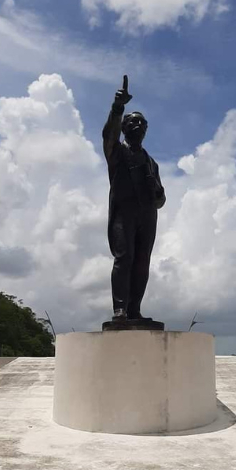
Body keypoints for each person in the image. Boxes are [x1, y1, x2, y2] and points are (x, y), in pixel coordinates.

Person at [102, 75, 166, 323]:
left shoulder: (152, 163)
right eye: (133, 123)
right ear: (125, 128)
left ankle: (134, 309)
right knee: (124, 257)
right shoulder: (117, 152)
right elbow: (109, 134)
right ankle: (120, 309)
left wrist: (156, 191)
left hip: (148, 215)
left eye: (142, 124)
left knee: (142, 262)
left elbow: (161, 200)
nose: (138, 126)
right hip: (124, 212)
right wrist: (118, 108)